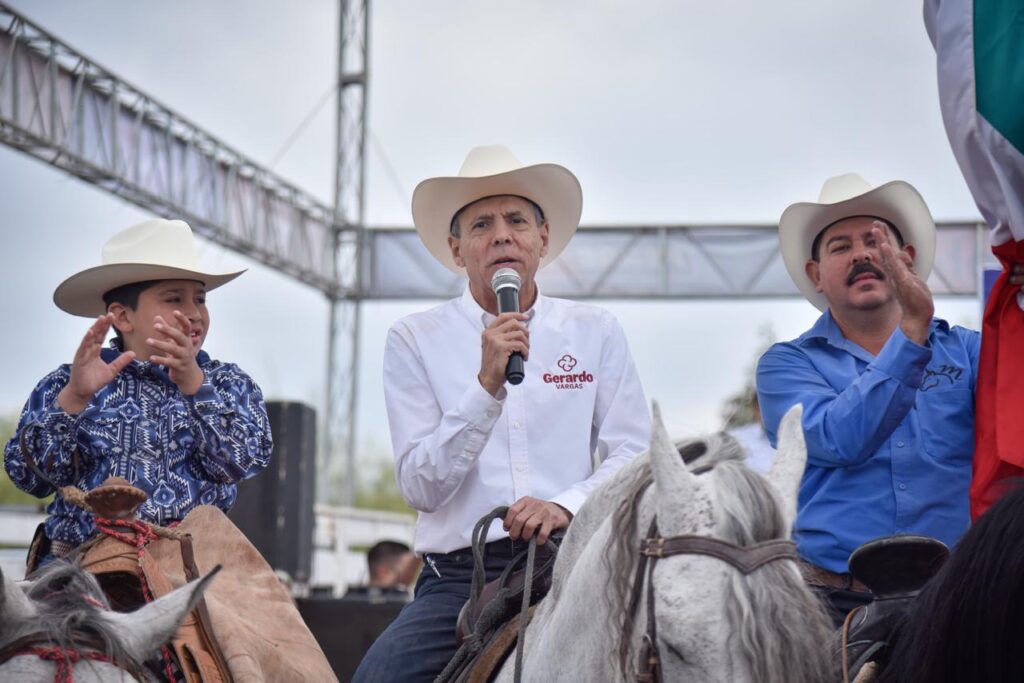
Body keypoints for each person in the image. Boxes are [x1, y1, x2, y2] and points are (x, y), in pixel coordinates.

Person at [353, 145, 651, 681]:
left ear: (543, 239)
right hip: (462, 579)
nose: (501, 235)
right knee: (381, 675)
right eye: (481, 224)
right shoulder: (415, 339)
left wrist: (565, 504)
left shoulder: (595, 330)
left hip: (576, 560)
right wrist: (486, 387)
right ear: (457, 250)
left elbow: (633, 451)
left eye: (516, 220)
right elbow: (420, 488)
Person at [756, 173, 1023, 625]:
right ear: (815, 275)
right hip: (829, 607)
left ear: (908, 259)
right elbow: (840, 439)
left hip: (962, 597)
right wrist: (913, 331)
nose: (860, 253)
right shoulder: (785, 366)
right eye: (840, 247)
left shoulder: (975, 352)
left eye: (875, 241)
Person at [4, 219, 273, 566]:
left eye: (200, 299)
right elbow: (29, 478)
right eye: (175, 298)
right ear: (122, 317)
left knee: (268, 618)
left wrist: (195, 385)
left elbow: (242, 462)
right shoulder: (65, 383)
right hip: (80, 563)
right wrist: (73, 399)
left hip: (192, 565)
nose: (194, 314)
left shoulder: (227, 383)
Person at [342, 540, 420, 603]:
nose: (411, 576)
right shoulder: (400, 606)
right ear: (383, 572)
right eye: (407, 571)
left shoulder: (345, 603)